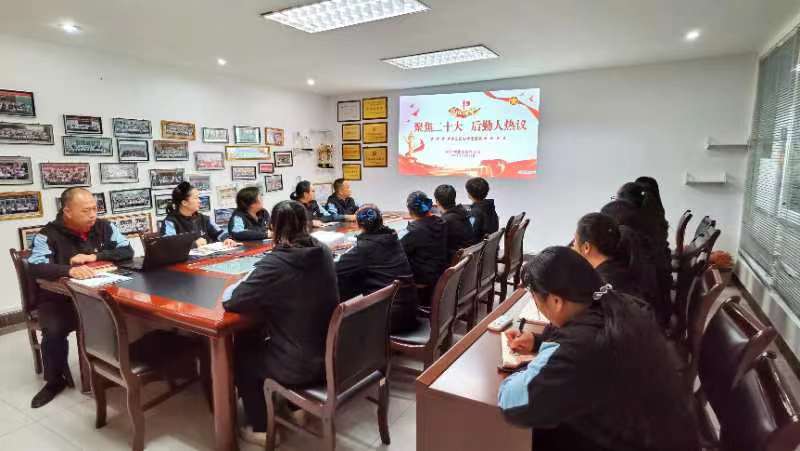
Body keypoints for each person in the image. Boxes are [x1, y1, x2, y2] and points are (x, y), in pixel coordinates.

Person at [498, 246, 699, 451]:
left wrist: (522, 368)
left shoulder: (578, 350)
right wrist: (539, 342)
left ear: (556, 301)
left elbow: (512, 402)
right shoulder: (620, 305)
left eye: (537, 300)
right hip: (664, 433)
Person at [223, 200, 339, 446]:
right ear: (306, 223)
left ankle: (261, 428)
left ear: (273, 228)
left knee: (244, 354)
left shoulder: (276, 262)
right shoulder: (323, 251)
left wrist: (248, 279)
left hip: (299, 365)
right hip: (330, 354)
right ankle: (296, 409)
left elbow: (234, 301)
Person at [27, 187, 134, 408]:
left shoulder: (104, 227)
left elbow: (127, 250)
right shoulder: (47, 235)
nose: (93, 215)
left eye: (94, 209)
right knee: (54, 330)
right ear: (67, 211)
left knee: (127, 316)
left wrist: (95, 256)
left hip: (97, 295)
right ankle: (54, 381)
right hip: (59, 299)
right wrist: (69, 270)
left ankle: (113, 369)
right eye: (86, 211)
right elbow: (36, 266)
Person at [336, 205, 419, 332]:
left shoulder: (364, 249)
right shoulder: (392, 238)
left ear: (357, 225)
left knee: (343, 289)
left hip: (390, 317)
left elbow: (336, 269)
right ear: (381, 221)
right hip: (408, 309)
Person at [571, 212, 653, 301]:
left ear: (586, 247)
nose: (572, 246)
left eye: (575, 240)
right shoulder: (627, 272)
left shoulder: (594, 288)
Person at [401, 191, 448, 305]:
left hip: (423, 278)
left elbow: (399, 250)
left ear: (410, 211)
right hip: (440, 272)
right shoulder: (441, 222)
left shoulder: (414, 230)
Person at [160, 181, 236, 248]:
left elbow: (220, 233)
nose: (200, 201)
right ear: (184, 203)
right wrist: (194, 244)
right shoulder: (170, 222)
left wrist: (227, 239)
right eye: (196, 198)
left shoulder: (204, 219)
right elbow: (169, 245)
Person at [434, 184, 477, 263]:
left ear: (437, 202)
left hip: (456, 264)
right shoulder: (463, 214)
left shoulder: (445, 221)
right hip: (468, 261)